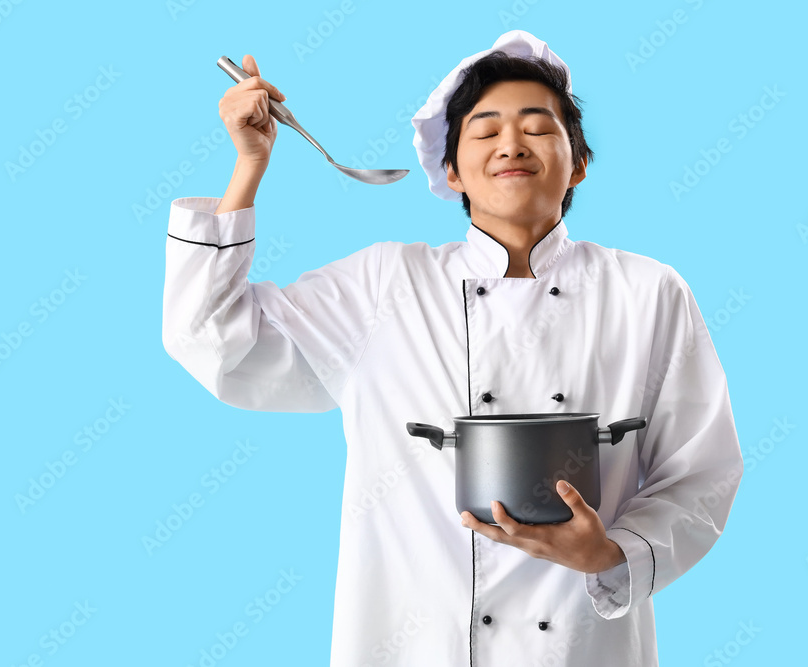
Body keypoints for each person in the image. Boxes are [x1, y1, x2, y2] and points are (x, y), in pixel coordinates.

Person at [162, 30, 743, 667]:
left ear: (578, 162)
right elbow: (213, 336)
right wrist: (248, 168)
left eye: (537, 127)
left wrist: (611, 554)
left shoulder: (648, 292)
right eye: (485, 130)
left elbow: (702, 473)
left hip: (581, 646)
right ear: (452, 169)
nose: (512, 144)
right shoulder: (385, 284)